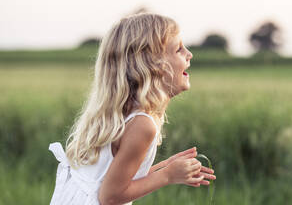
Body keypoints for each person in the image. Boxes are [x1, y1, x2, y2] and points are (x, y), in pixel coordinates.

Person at [48, 13, 216, 205]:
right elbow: (110, 196)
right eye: (179, 49)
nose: (189, 54)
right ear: (153, 65)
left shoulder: (122, 113)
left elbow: (118, 178)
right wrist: (167, 175)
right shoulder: (142, 125)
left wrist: (165, 167)